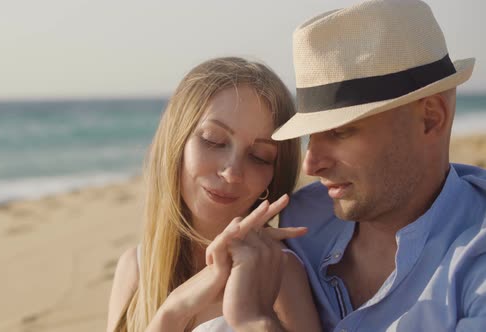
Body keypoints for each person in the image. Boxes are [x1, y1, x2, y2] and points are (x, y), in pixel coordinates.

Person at [205, 0, 485, 331]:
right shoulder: (299, 219)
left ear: (429, 118)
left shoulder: (474, 259)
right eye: (310, 137)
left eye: (339, 132)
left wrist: (256, 323)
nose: (311, 164)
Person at [106, 57, 321, 332]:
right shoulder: (136, 267)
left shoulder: (277, 271)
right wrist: (173, 310)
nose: (232, 172)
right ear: (176, 142)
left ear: (274, 175)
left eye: (259, 156)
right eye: (213, 140)